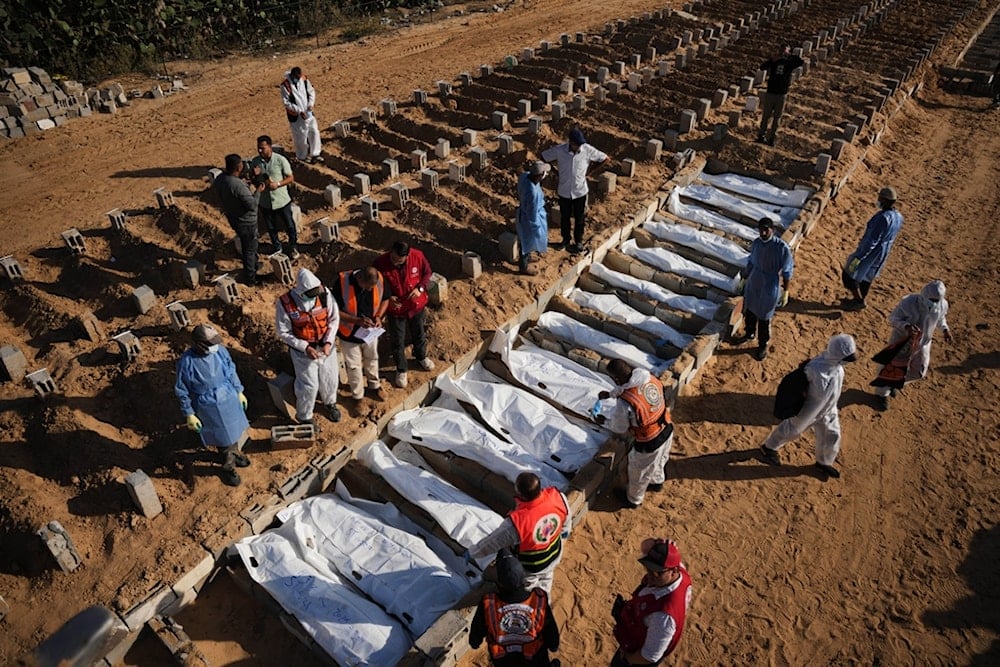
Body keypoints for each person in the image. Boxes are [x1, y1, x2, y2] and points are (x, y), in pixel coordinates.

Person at [759, 334, 858, 478]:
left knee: (832, 435)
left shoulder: (838, 368)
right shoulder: (815, 368)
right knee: (792, 430)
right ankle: (769, 447)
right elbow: (795, 383)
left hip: (829, 409)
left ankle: (823, 462)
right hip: (810, 409)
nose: (848, 362)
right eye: (846, 358)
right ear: (837, 355)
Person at [466, 472, 571, 597]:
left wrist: (472, 553)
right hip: (554, 554)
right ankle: (545, 596)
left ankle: (536, 604)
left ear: (521, 495)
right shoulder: (558, 497)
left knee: (530, 589)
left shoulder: (517, 524)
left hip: (532, 567)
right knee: (547, 577)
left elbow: (491, 544)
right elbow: (566, 520)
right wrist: (564, 533)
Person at [174, 324, 251, 486]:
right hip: (208, 405)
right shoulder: (187, 362)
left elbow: (231, 370)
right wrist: (189, 413)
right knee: (221, 436)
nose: (215, 346)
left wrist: (239, 391)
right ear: (199, 344)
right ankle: (227, 464)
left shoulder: (221, 351)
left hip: (228, 397)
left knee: (234, 429)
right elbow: (182, 390)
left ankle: (234, 452)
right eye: (210, 344)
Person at [595, 359, 674, 509]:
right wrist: (611, 394)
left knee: (639, 471)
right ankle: (657, 482)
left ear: (616, 379)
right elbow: (628, 387)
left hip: (649, 440)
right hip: (666, 425)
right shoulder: (645, 375)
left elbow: (619, 427)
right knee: (660, 459)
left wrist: (604, 421)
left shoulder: (625, 403)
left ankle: (633, 500)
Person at [469, 548, 561, 667]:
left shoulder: (488, 603)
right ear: (523, 576)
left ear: (499, 580)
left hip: (503, 662)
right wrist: (552, 646)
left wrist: (476, 642)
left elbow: (474, 641)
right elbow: (553, 640)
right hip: (535, 661)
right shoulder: (539, 600)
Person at [871, 281, 953, 411]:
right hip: (902, 340)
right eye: (931, 299)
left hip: (923, 342)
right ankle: (882, 394)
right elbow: (893, 318)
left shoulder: (942, 305)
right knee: (891, 367)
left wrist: (945, 329)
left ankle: (894, 383)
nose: (934, 302)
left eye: (937, 300)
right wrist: (907, 327)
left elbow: (941, 318)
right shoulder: (908, 302)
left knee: (919, 372)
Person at [610, 538, 692, 667]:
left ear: (674, 571)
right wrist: (660, 545)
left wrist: (626, 658)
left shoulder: (663, 617)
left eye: (657, 572)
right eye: (648, 568)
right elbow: (644, 547)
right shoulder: (679, 571)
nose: (650, 575)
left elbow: (649, 657)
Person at [275, 268, 341, 426]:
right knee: (309, 385)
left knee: (330, 378)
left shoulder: (324, 295)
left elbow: (333, 319)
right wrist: (305, 347)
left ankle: (330, 403)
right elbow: (283, 332)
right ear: (301, 291)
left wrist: (328, 342)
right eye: (311, 293)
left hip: (325, 348)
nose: (315, 295)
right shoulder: (286, 303)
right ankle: (304, 416)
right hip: (303, 353)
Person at [373, 241, 435, 389]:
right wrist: (388, 297)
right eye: (393, 258)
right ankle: (401, 369)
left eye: (399, 260)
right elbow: (376, 283)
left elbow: (427, 273)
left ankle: (421, 357)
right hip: (396, 309)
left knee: (419, 333)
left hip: (415, 305)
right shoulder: (380, 262)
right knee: (397, 340)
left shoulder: (417, 256)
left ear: (407, 256)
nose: (395, 261)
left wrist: (419, 288)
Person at [541, 128, 609, 255]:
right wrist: (555, 171)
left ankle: (578, 242)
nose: (579, 147)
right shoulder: (560, 150)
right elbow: (544, 156)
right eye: (576, 144)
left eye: (580, 144)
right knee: (565, 218)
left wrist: (591, 171)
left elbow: (605, 158)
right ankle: (565, 240)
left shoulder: (587, 150)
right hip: (564, 191)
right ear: (570, 143)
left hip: (580, 191)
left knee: (579, 218)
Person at [737, 218, 794, 361]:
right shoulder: (756, 243)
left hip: (770, 285)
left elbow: (787, 271)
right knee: (750, 309)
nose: (763, 233)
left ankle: (763, 345)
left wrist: (785, 291)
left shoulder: (781, 248)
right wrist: (744, 278)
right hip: (754, 281)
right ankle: (749, 333)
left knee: (764, 317)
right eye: (760, 229)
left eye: (766, 230)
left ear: (772, 230)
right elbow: (751, 261)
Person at [334, 265, 391, 402]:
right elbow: (335, 311)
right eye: (367, 286)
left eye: (372, 286)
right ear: (359, 278)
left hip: (369, 331)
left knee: (372, 359)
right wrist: (356, 321)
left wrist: (379, 316)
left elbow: (385, 299)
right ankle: (358, 396)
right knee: (354, 366)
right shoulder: (341, 283)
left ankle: (374, 386)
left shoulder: (379, 279)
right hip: (348, 334)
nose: (370, 289)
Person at [842, 186, 904, 308]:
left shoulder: (882, 218)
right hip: (883, 251)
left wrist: (860, 256)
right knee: (868, 276)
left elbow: (872, 241)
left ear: (885, 201)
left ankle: (858, 300)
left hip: (871, 252)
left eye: (880, 198)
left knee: (849, 274)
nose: (878, 200)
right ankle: (860, 298)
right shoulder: (898, 216)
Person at [214, 154, 264, 286]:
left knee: (247, 246)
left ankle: (254, 265)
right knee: (249, 250)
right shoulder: (238, 186)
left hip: (234, 219)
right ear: (239, 167)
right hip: (247, 222)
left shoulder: (220, 179)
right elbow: (252, 205)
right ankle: (251, 278)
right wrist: (258, 191)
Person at [252, 135, 299, 259]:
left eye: (263, 148)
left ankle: (293, 246)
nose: (260, 151)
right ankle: (277, 247)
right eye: (258, 148)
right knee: (271, 227)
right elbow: (254, 181)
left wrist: (278, 184)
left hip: (282, 200)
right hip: (265, 202)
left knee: (289, 225)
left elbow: (290, 178)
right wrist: (256, 177)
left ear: (270, 147)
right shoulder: (255, 162)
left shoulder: (280, 160)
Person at [757, 45, 805, 145]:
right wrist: (772, 59)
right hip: (771, 92)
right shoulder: (774, 60)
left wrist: (789, 55)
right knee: (766, 116)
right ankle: (761, 135)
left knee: (777, 118)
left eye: (784, 50)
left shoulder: (789, 62)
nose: (782, 52)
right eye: (781, 50)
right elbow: (762, 67)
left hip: (781, 94)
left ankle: (772, 138)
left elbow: (800, 62)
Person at [280, 66, 323, 164]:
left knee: (314, 131)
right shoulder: (285, 85)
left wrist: (310, 105)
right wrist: (300, 111)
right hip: (296, 115)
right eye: (296, 77)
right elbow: (286, 103)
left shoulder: (304, 79)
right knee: (300, 136)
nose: (298, 78)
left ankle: (315, 153)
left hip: (308, 112)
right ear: (292, 75)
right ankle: (302, 156)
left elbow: (311, 92)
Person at [516, 161, 551, 275]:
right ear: (539, 176)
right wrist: (536, 228)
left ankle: (528, 256)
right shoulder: (532, 193)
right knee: (526, 240)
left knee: (527, 241)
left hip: (523, 213)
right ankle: (523, 266)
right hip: (529, 219)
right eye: (544, 173)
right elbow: (532, 214)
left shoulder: (525, 176)